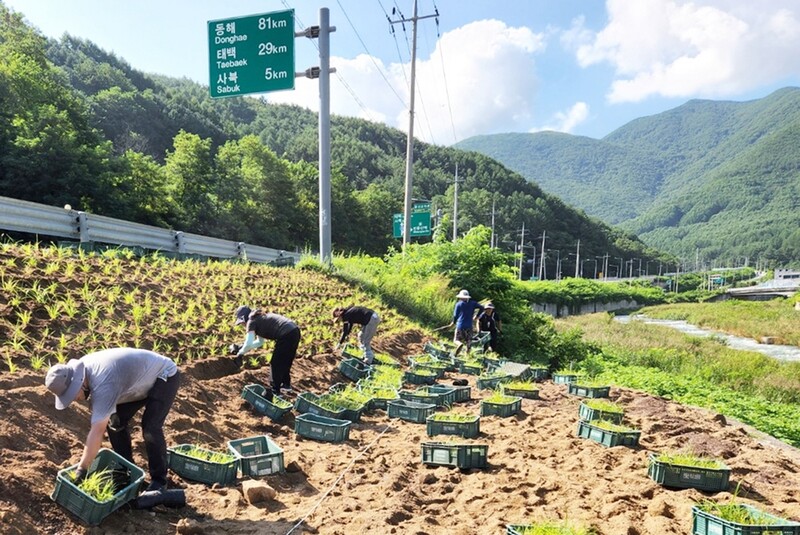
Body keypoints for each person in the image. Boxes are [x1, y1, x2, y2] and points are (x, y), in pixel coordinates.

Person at [44, 348, 180, 493]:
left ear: (79, 382)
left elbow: (97, 431)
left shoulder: (102, 382)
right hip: (135, 382)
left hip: (164, 375)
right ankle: (126, 471)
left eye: (72, 394)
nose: (74, 399)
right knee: (116, 422)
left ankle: (159, 481)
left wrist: (81, 470)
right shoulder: (85, 372)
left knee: (151, 427)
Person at [232, 306, 301, 395]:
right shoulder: (259, 318)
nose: (242, 325)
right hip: (294, 331)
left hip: (286, 334)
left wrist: (240, 353)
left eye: (242, 323)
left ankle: (275, 391)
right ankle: (286, 385)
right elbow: (260, 342)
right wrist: (242, 348)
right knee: (285, 361)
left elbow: (249, 343)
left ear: (244, 317)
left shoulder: (251, 321)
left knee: (275, 363)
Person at [448, 289, 484, 357]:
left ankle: (459, 344)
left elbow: (455, 315)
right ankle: (467, 357)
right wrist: (477, 316)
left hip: (460, 325)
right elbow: (482, 308)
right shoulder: (473, 303)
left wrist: (453, 323)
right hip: (469, 326)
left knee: (456, 340)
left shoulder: (458, 304)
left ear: (461, 297)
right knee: (468, 342)